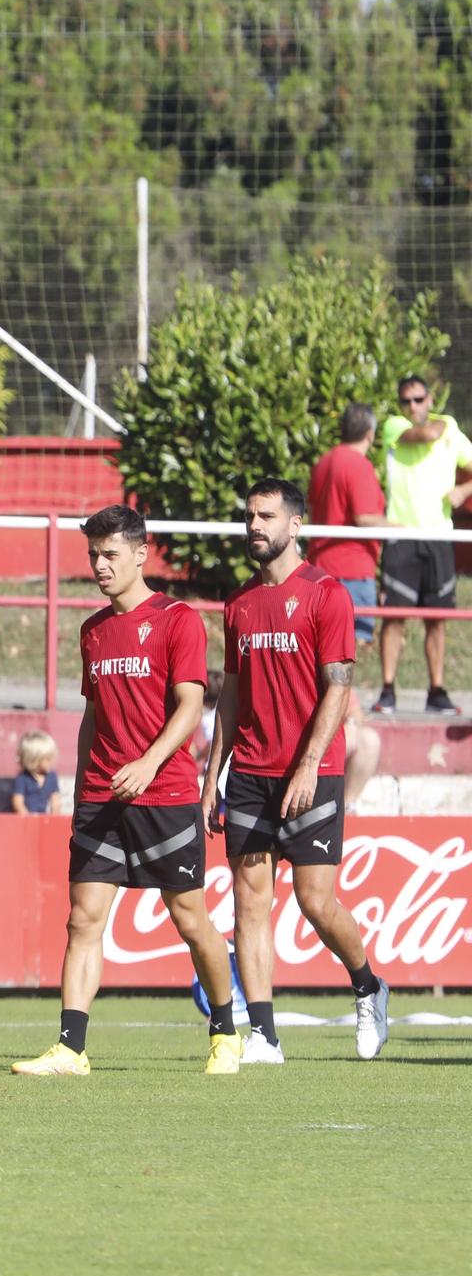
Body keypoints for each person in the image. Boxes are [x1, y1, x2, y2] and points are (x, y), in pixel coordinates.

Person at [13, 507, 240, 1076]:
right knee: (82, 919)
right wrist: (80, 781)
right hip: (101, 795)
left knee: (190, 920)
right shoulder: (93, 630)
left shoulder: (178, 619)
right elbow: (92, 715)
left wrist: (149, 762)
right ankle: (71, 1047)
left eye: (110, 553)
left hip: (164, 795)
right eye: (93, 553)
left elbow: (192, 704)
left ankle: (226, 1032)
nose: (99, 564)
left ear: (141, 554)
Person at [201, 478, 389, 1064]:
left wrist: (309, 763)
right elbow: (231, 696)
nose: (254, 525)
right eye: (249, 515)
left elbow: (339, 686)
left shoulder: (327, 594)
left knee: (315, 901)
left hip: (313, 770)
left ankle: (368, 987)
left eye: (266, 516)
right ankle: (264, 1034)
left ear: (295, 525)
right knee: (249, 902)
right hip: (250, 773)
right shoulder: (237, 603)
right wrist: (213, 776)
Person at [374, 375, 472, 715]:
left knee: (437, 618)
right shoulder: (393, 426)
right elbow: (426, 433)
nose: (413, 406)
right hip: (401, 535)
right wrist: (445, 424)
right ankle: (387, 690)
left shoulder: (449, 429)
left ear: (430, 399)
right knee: (394, 617)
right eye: (407, 401)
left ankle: (437, 691)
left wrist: (464, 490)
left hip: (439, 536)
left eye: (418, 399)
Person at [308, 403, 389, 660]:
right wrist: (405, 528)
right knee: (349, 653)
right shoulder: (358, 465)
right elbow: (364, 517)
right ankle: (347, 702)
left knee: (323, 650)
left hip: (321, 566)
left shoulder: (323, 462)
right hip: (351, 571)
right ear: (370, 433)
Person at [6, 731, 64, 815]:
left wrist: (53, 819)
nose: (52, 762)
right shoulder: (22, 778)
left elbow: (55, 801)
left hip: (43, 820)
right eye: (48, 759)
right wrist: (29, 820)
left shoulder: (52, 776)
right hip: (25, 821)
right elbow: (18, 803)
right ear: (34, 760)